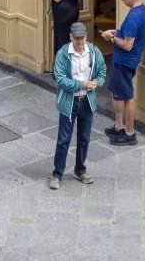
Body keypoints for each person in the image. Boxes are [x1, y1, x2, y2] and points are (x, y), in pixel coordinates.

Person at [48, 21, 104, 191]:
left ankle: (80, 170)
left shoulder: (94, 52)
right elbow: (61, 79)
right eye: (77, 38)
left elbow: (102, 72)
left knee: (84, 138)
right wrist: (81, 85)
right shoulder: (63, 54)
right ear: (71, 37)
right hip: (69, 103)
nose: (80, 42)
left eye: (82, 38)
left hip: (87, 101)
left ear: (86, 37)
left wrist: (96, 82)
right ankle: (57, 173)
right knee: (64, 140)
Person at [101, 0, 145, 145]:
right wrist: (115, 32)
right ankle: (118, 127)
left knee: (127, 96)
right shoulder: (143, 11)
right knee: (118, 93)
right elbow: (129, 36)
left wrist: (112, 38)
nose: (121, 0)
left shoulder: (133, 17)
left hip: (125, 61)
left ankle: (129, 133)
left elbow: (128, 45)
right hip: (127, 60)